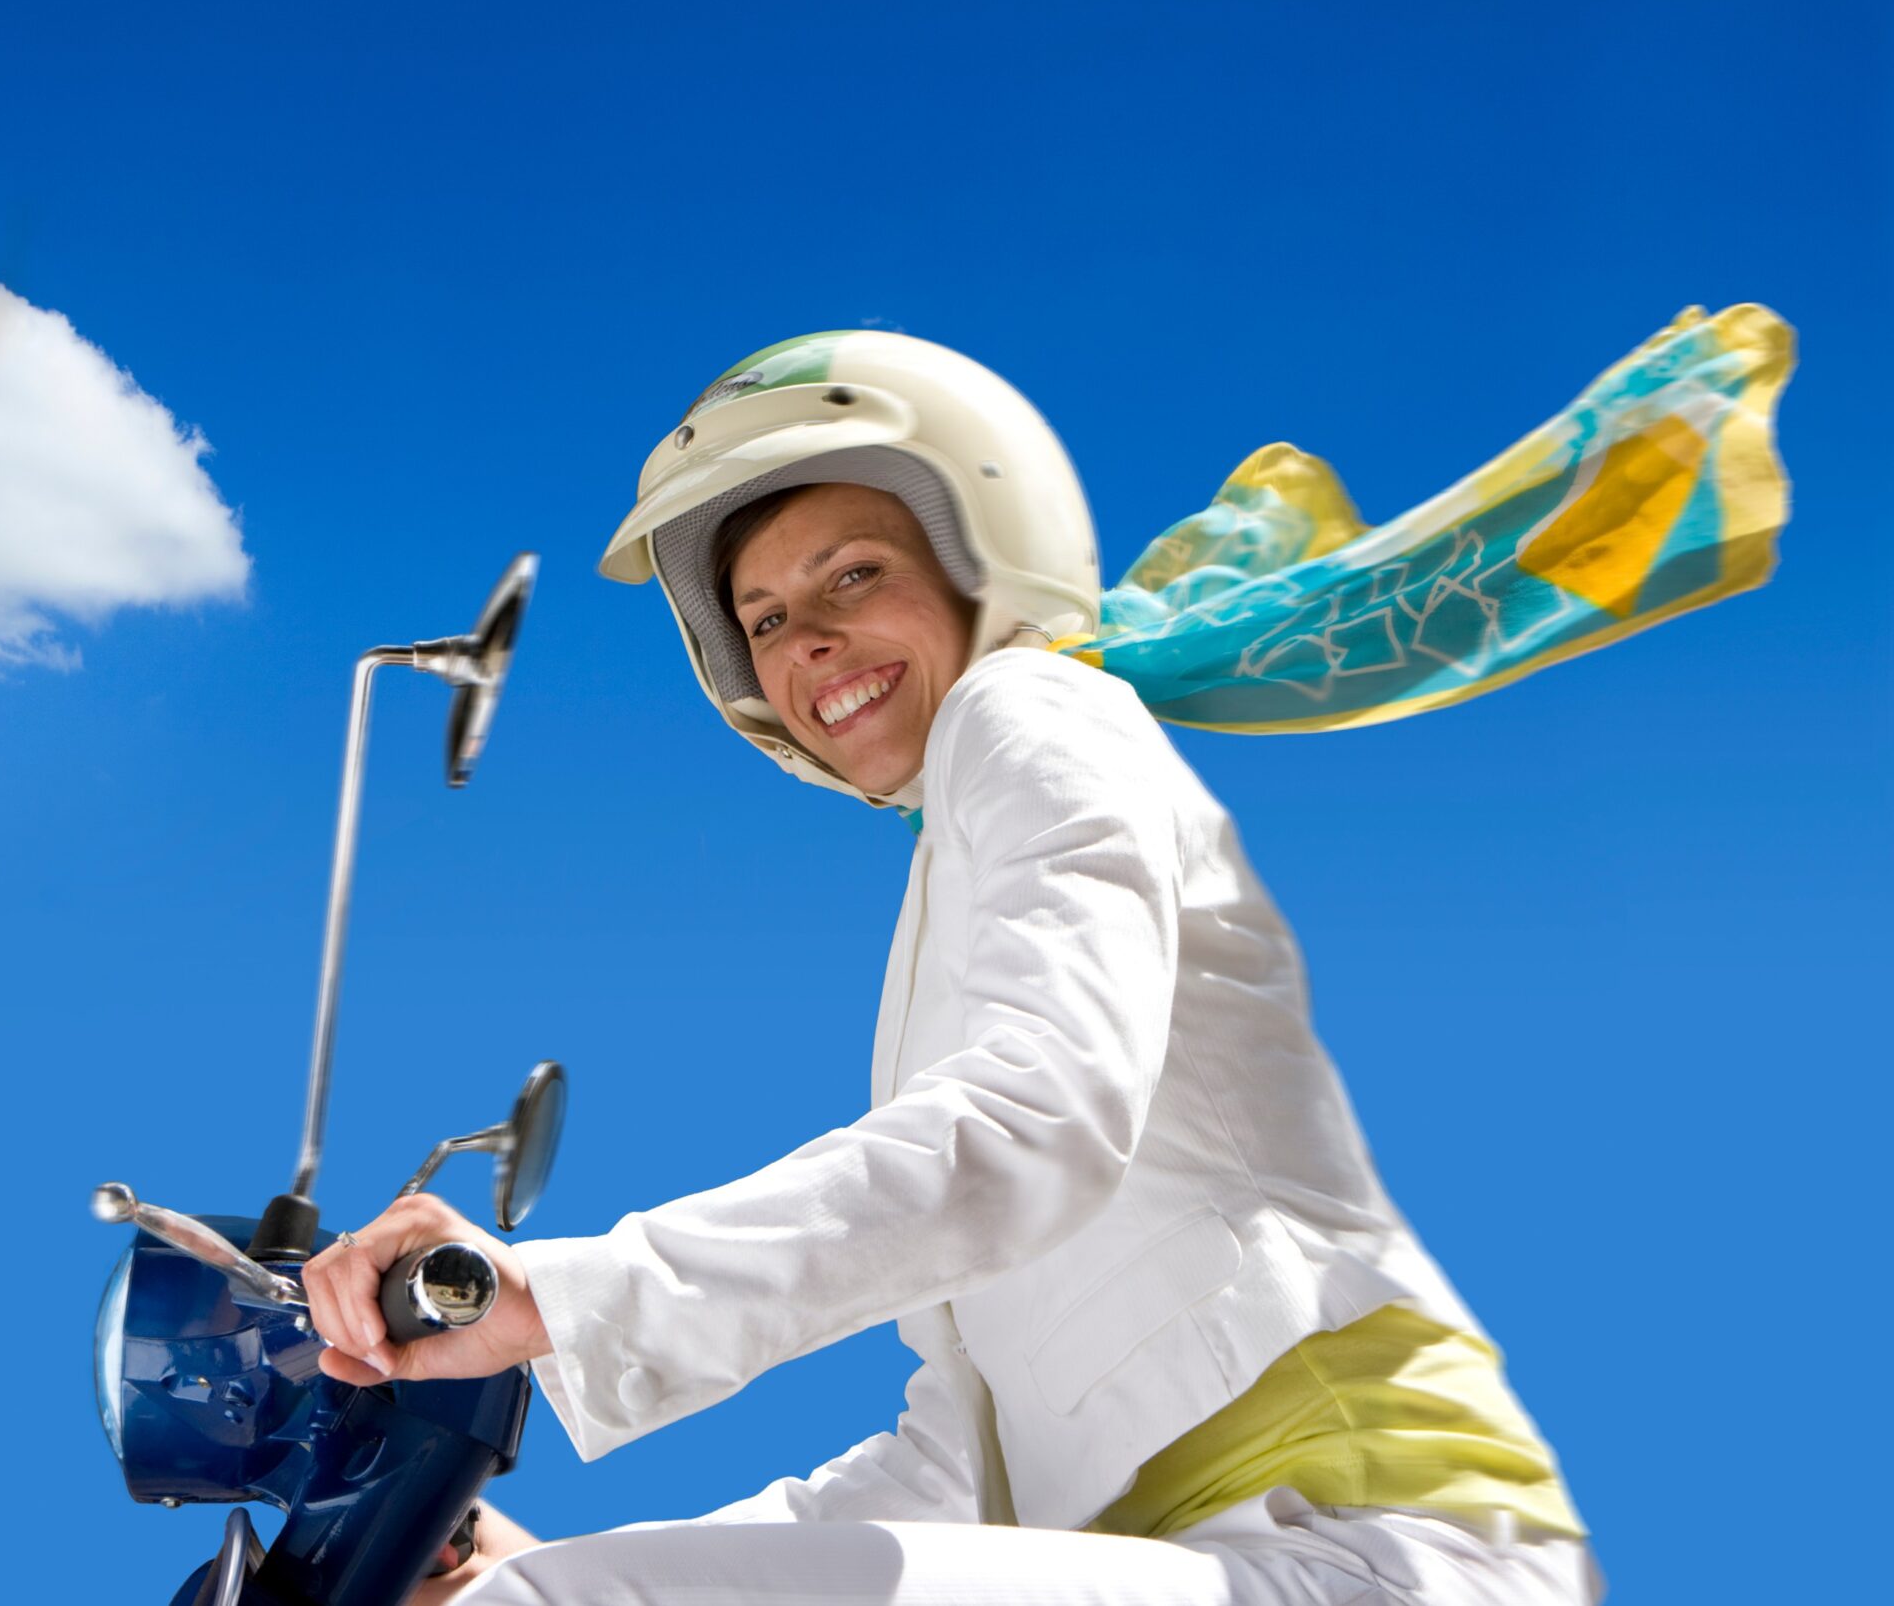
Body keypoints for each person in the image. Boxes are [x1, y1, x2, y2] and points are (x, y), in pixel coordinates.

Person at [303, 310, 1795, 1604]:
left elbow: (1029, 1130)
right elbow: (965, 1452)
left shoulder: (1031, 715)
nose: (808, 641)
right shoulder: (952, 878)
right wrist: (509, 1547)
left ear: (974, 561)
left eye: (851, 575)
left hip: (1372, 1547)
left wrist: (545, 1296)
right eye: (762, 617)